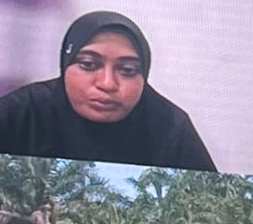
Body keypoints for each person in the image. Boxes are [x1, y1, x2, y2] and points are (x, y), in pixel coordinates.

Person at [0, 11, 216, 172]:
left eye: (127, 70)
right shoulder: (23, 112)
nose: (107, 83)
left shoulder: (170, 127)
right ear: (65, 65)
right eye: (88, 64)